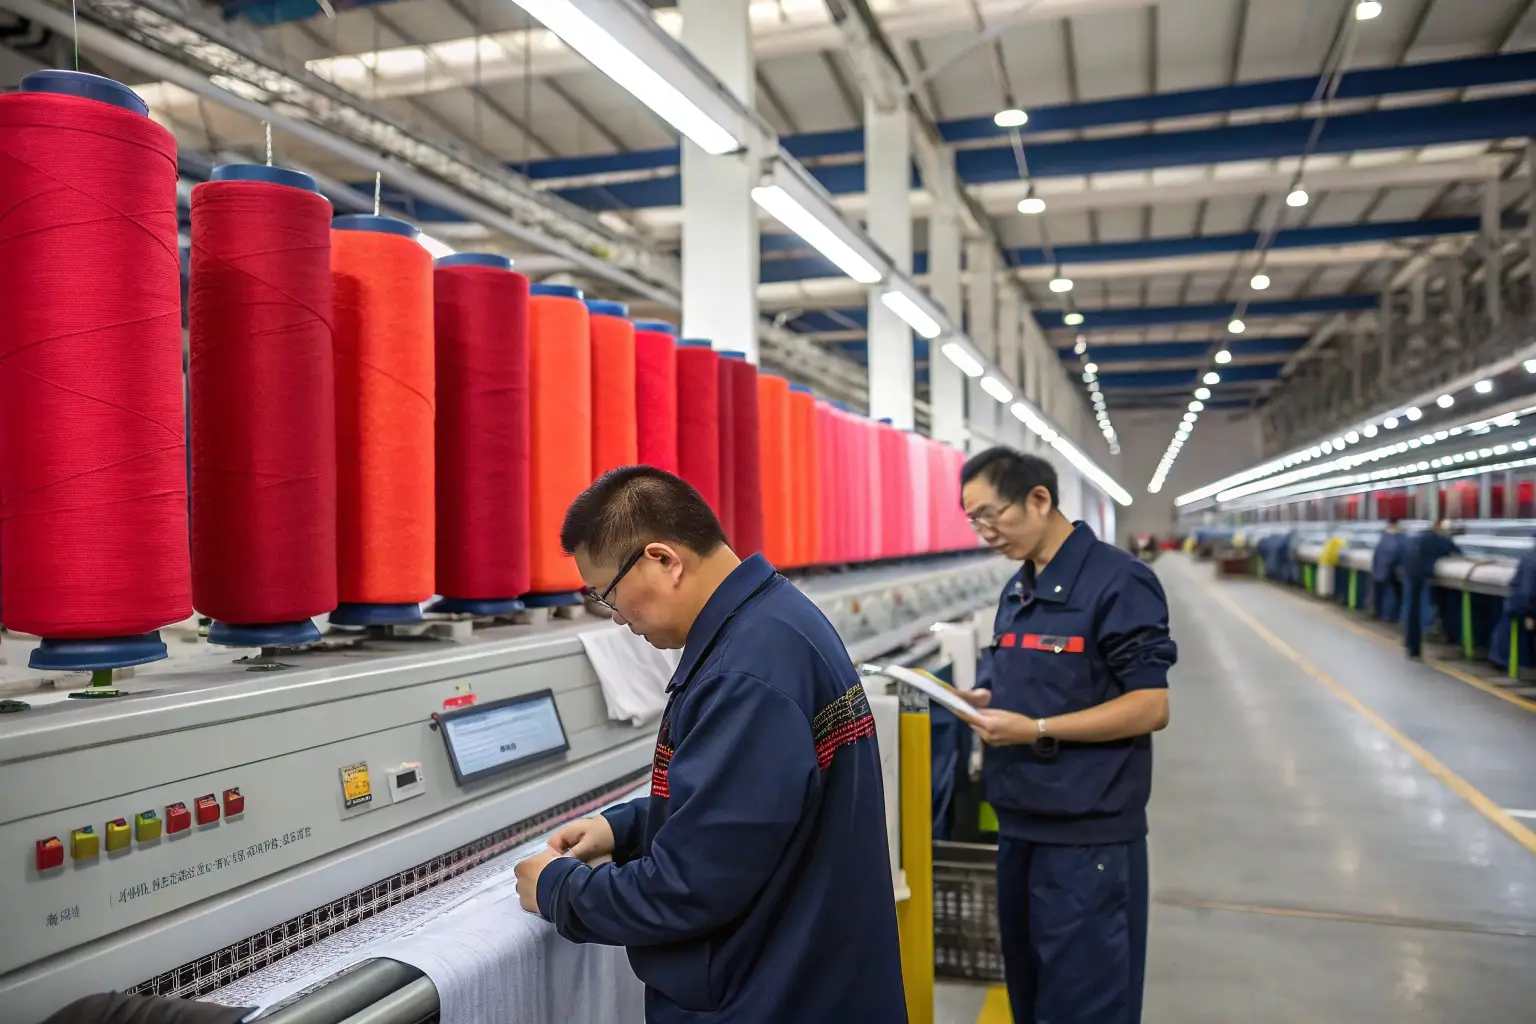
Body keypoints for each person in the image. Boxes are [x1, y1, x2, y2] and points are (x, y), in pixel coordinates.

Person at [512, 466, 905, 1023]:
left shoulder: (743, 676)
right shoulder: (775, 622)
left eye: (609, 594)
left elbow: (687, 890)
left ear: (663, 560)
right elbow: (754, 806)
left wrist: (557, 889)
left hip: (772, 996)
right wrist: (625, 829)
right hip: (812, 976)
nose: (618, 619)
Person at [950, 447, 1175, 1024]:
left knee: (1085, 1005)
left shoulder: (1119, 582)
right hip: (1019, 825)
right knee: (1032, 998)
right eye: (972, 520)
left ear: (1039, 499)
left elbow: (1150, 705)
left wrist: (1038, 729)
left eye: (990, 515)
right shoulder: (1017, 591)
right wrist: (982, 698)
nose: (984, 533)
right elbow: (1021, 679)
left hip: (1087, 839)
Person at [1403, 518, 1460, 659]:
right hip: (1423, 576)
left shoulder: (1418, 537)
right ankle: (1417, 645)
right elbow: (1456, 552)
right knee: (1422, 610)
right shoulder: (1439, 539)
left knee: (1412, 610)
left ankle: (1411, 646)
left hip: (1411, 574)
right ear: (1439, 525)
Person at [1371, 518, 1405, 622]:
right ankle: (1390, 616)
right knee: (1391, 594)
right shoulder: (1397, 539)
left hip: (1380, 571)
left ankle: (1381, 614)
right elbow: (1397, 555)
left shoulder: (1383, 539)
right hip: (1390, 571)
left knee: (1381, 594)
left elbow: (1376, 556)